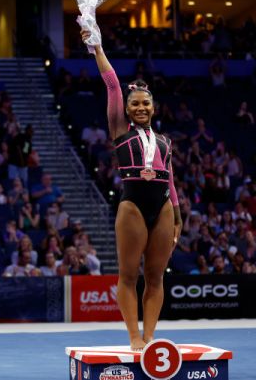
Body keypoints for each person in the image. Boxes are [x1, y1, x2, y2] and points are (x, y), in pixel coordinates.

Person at [86, 29, 182, 351]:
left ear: (153, 107)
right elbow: (112, 83)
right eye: (135, 104)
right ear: (126, 109)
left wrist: (178, 217)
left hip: (164, 206)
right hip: (133, 206)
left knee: (156, 277)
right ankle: (133, 336)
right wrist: (97, 45)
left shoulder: (165, 142)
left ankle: (151, 336)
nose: (141, 108)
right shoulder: (119, 130)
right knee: (128, 275)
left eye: (146, 103)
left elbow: (170, 179)